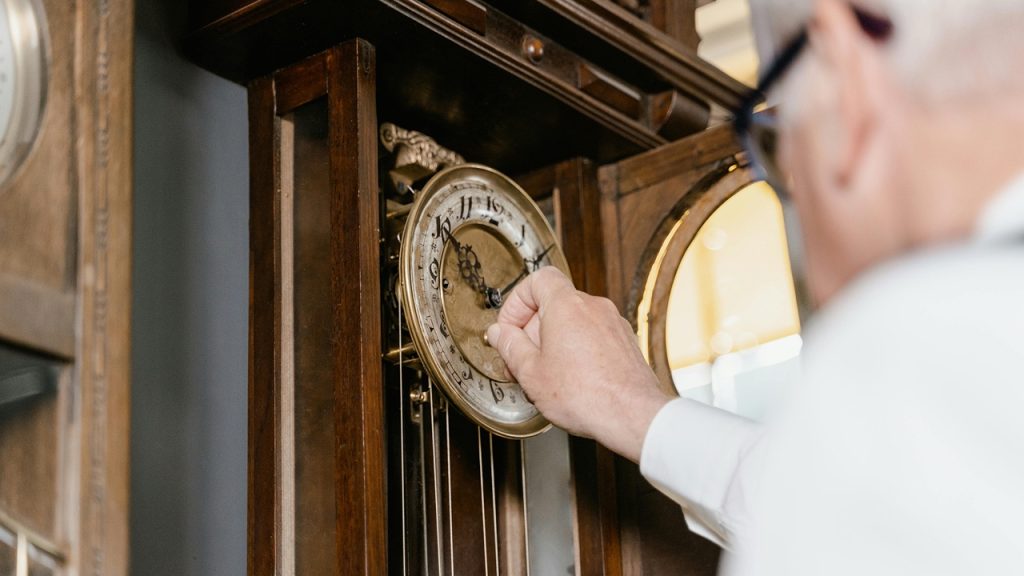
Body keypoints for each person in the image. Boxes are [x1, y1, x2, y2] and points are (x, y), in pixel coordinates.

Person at [485, 0, 1024, 573]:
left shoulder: (894, 355)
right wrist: (635, 409)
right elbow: (855, 504)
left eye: (778, 136)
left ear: (846, 72)